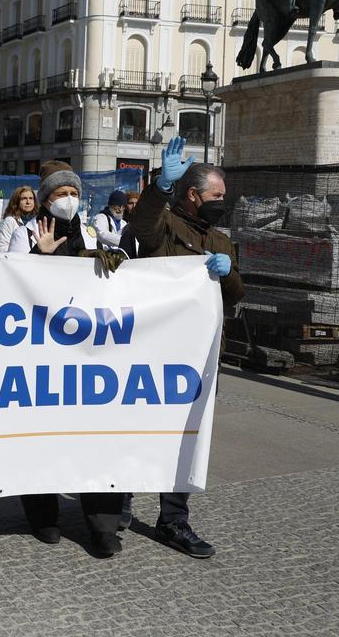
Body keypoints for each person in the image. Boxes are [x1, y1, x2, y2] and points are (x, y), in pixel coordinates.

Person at [124, 136, 243, 560]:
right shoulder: (166, 227)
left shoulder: (222, 241)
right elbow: (142, 227)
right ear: (193, 196)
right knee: (139, 430)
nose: (221, 202)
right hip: (156, 352)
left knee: (186, 439)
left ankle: (174, 519)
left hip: (201, 358)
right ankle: (119, 499)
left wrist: (228, 275)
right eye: (216, 196)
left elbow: (235, 295)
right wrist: (159, 188)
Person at [8, 162, 126, 555]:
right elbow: (8, 287)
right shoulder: (26, 233)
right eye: (60, 195)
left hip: (85, 351)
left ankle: (103, 525)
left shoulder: (89, 233)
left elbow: (106, 283)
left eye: (73, 193)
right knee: (40, 436)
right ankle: (42, 514)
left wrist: (116, 263)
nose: (69, 201)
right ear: (44, 200)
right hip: (39, 351)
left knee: (96, 436)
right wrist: (39, 257)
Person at [0, 185, 37, 254]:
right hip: (16, 261)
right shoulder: (10, 221)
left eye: (31, 198)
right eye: (24, 198)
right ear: (16, 202)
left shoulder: (38, 220)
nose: (28, 202)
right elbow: (1, 249)